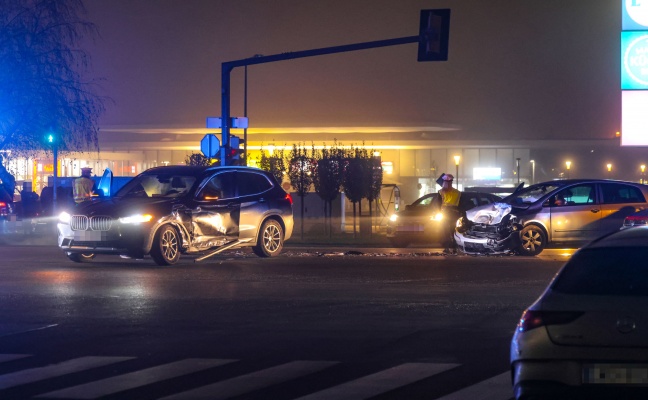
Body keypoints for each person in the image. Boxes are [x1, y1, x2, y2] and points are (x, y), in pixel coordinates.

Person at [438, 174, 462, 254]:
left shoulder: (441, 192)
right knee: (450, 231)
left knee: (447, 231)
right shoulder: (457, 193)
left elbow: (438, 204)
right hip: (451, 214)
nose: (447, 184)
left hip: (448, 214)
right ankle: (452, 248)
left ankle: (450, 247)